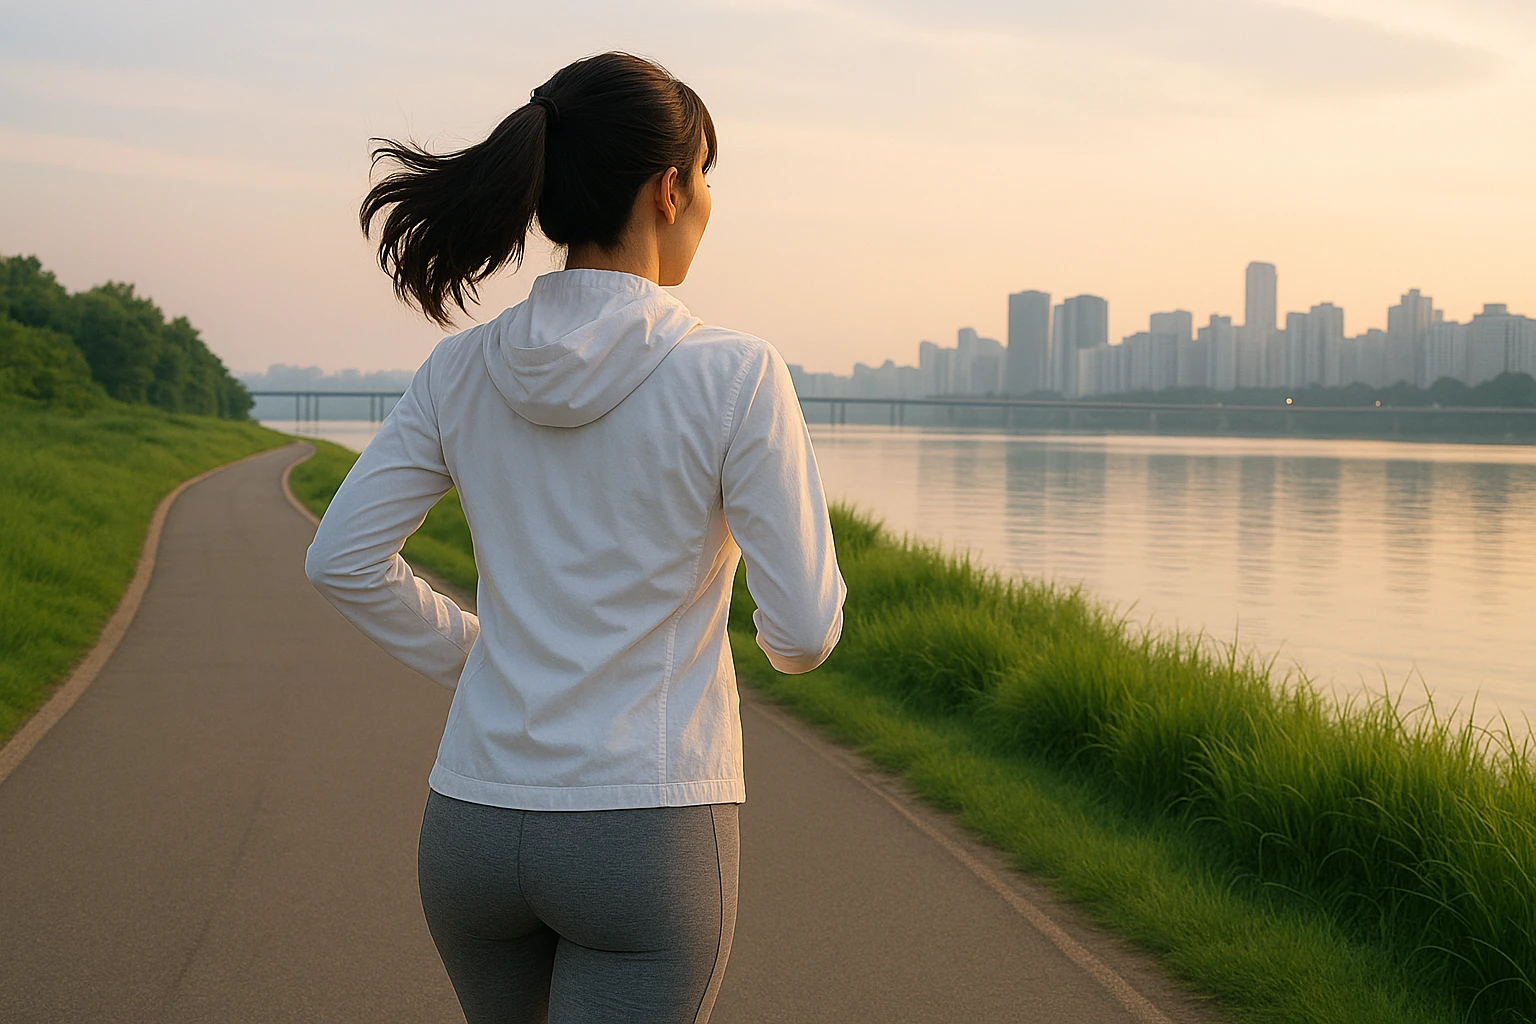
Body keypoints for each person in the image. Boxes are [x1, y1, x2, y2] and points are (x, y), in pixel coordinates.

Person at [303, 51, 847, 1024]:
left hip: (470, 825)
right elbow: (803, 630)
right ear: (668, 187)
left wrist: (479, 655)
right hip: (646, 828)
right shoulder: (736, 374)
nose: (709, 204)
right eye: (706, 178)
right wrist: (752, 647)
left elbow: (341, 557)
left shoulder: (460, 367)